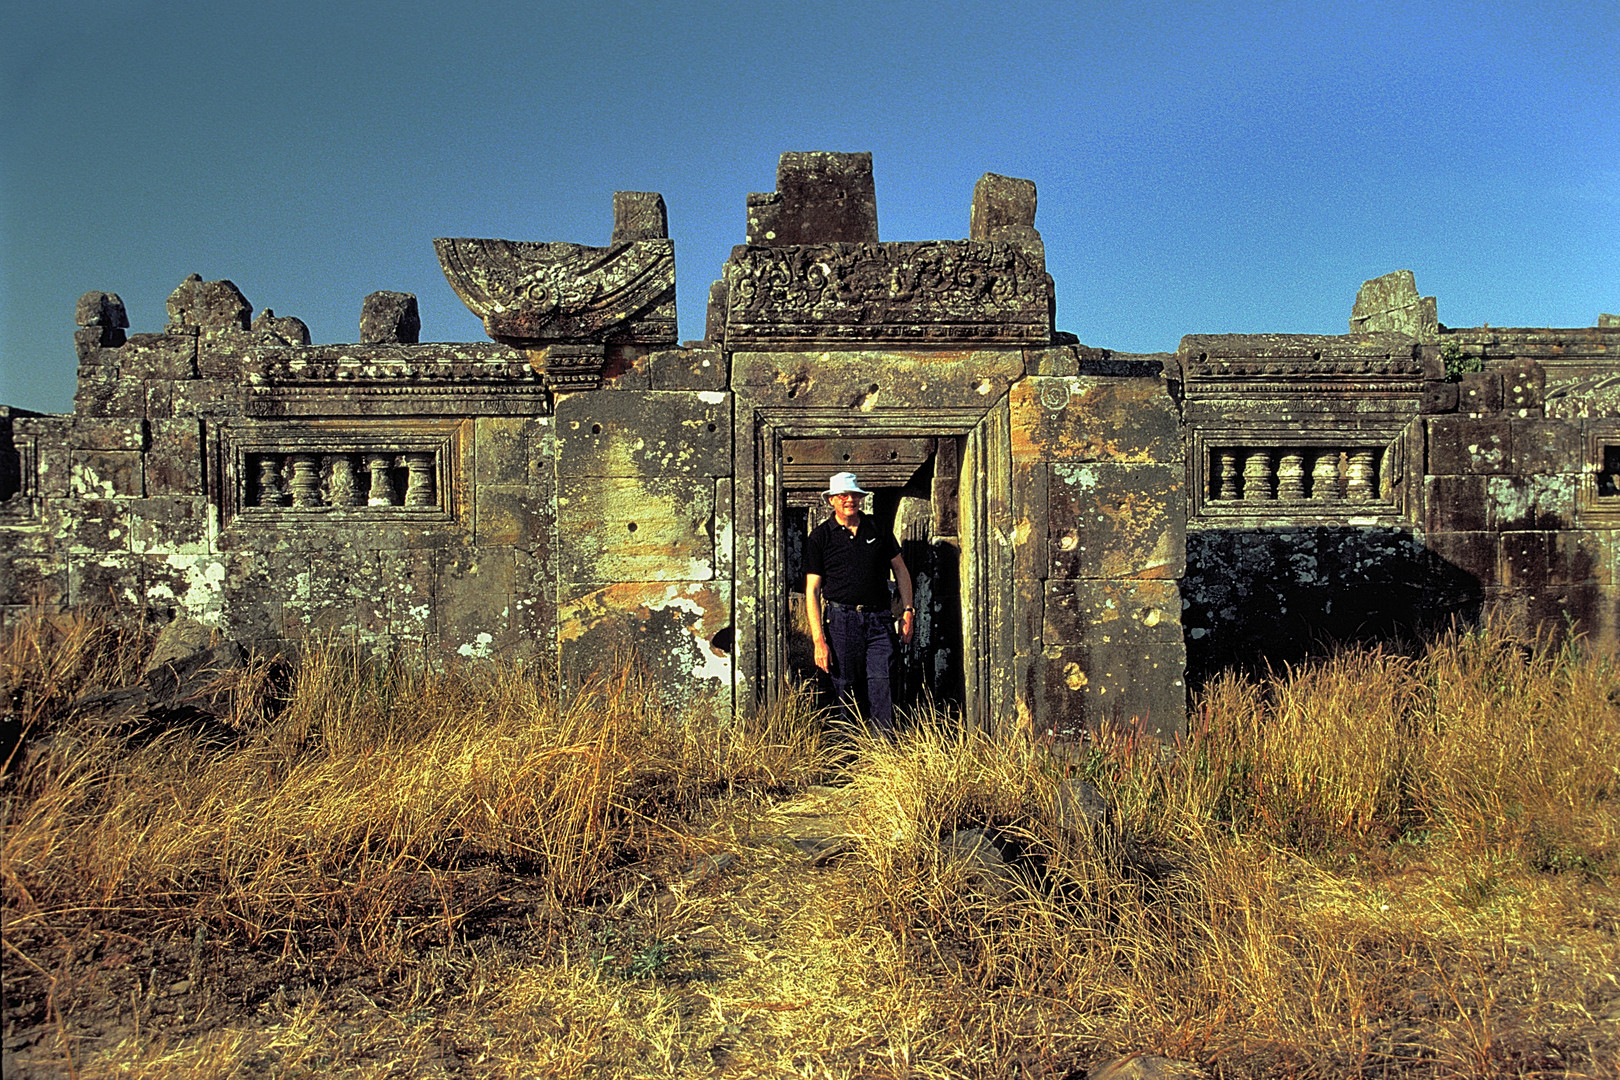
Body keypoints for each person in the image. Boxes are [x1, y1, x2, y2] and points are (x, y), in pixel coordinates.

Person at [804, 472, 914, 737]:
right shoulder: (820, 537)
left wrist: (908, 610)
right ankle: (848, 751)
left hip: (879, 620)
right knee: (845, 685)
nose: (849, 500)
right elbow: (812, 590)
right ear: (831, 500)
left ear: (861, 499)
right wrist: (819, 641)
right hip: (841, 621)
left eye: (853, 495)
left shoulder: (877, 528)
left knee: (882, 682)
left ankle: (883, 752)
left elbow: (900, 571)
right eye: (842, 495)